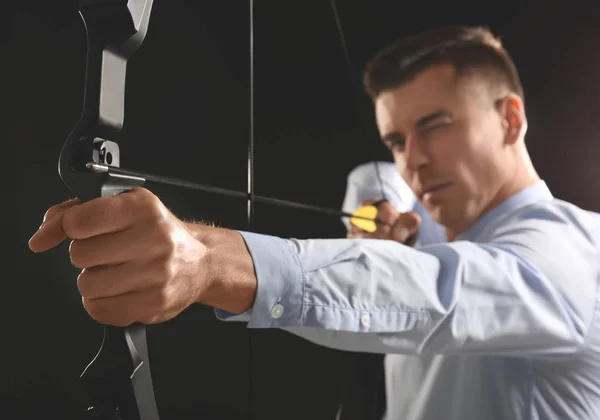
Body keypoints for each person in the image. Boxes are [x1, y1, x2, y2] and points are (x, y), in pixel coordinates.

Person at [28, 25, 600, 419]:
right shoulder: (434, 232)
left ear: (510, 119)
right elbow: (379, 181)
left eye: (436, 125)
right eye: (398, 139)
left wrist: (208, 261)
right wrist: (380, 205)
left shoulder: (571, 250)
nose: (414, 159)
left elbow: (436, 292)